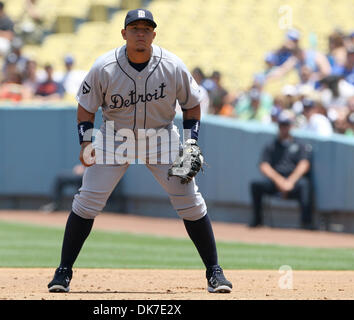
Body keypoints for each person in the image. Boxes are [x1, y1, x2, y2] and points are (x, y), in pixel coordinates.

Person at [47, 9, 232, 294]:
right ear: (124, 34)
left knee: (191, 203)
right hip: (114, 137)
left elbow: (191, 103)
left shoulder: (171, 65)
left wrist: (191, 141)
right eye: (135, 28)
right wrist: (85, 142)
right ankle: (63, 272)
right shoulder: (104, 66)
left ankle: (214, 272)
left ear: (154, 34)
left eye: (147, 28)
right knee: (86, 203)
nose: (141, 33)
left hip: (161, 137)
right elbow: (86, 107)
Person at [249, 110, 314, 230]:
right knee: (255, 185)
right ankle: (257, 220)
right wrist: (279, 180)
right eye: (281, 125)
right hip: (276, 181)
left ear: (291, 126)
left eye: (286, 124)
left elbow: (304, 164)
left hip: (293, 181)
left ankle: (306, 223)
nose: (284, 128)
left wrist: (290, 181)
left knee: (305, 185)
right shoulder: (271, 145)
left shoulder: (300, 144)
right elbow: (264, 165)